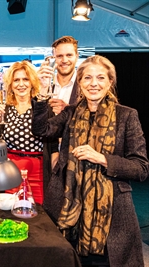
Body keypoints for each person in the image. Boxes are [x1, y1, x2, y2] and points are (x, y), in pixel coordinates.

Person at [32, 55, 149, 266]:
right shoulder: (70, 113)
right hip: (69, 212)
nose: (93, 83)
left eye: (100, 78)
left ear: (110, 82)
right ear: (80, 83)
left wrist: (102, 159)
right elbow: (41, 130)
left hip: (111, 217)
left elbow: (140, 168)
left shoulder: (127, 116)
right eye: (87, 78)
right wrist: (41, 92)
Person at [0, 61, 58, 205]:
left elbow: (53, 146)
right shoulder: (5, 108)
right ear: (10, 85)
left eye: (25, 79)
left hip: (38, 172)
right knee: (10, 213)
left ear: (32, 82)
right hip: (10, 171)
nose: (21, 84)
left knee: (37, 214)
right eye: (16, 80)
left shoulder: (43, 107)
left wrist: (53, 180)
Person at [37, 36, 80, 114]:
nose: (64, 60)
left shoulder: (85, 86)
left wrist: (68, 111)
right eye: (59, 56)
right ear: (54, 58)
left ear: (77, 56)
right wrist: (42, 88)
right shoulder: (44, 86)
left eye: (69, 55)